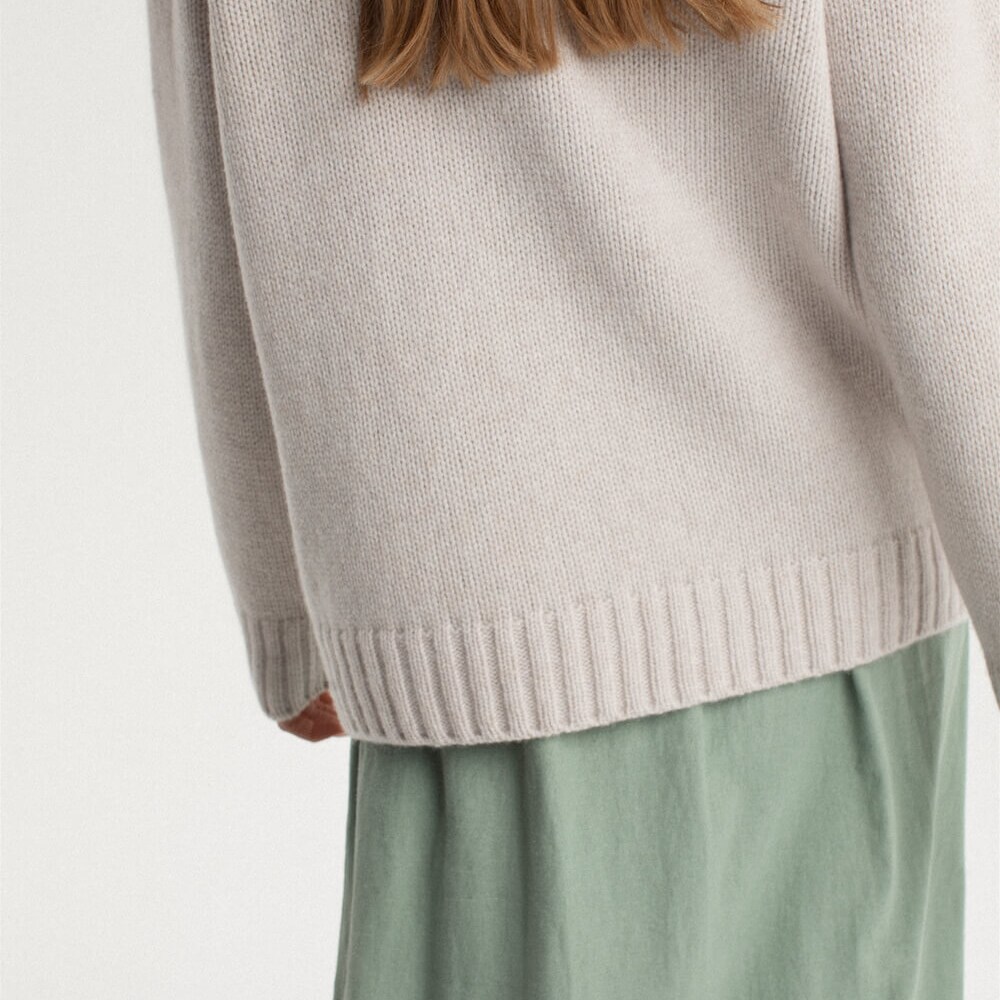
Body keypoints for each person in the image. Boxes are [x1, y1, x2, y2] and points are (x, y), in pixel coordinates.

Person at [145, 1, 998, 996]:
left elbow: (220, 127)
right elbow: (949, 223)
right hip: (840, 619)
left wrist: (283, 601)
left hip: (484, 645)